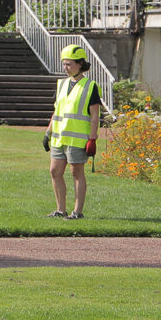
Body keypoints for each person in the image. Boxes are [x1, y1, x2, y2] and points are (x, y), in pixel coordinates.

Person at [45, 43, 103, 219]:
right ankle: (60, 209)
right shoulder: (61, 84)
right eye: (64, 64)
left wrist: (92, 139)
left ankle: (77, 212)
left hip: (78, 139)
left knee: (76, 173)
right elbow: (56, 111)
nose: (65, 67)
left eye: (69, 64)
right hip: (59, 138)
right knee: (54, 171)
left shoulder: (90, 86)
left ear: (80, 64)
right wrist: (47, 133)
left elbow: (95, 116)